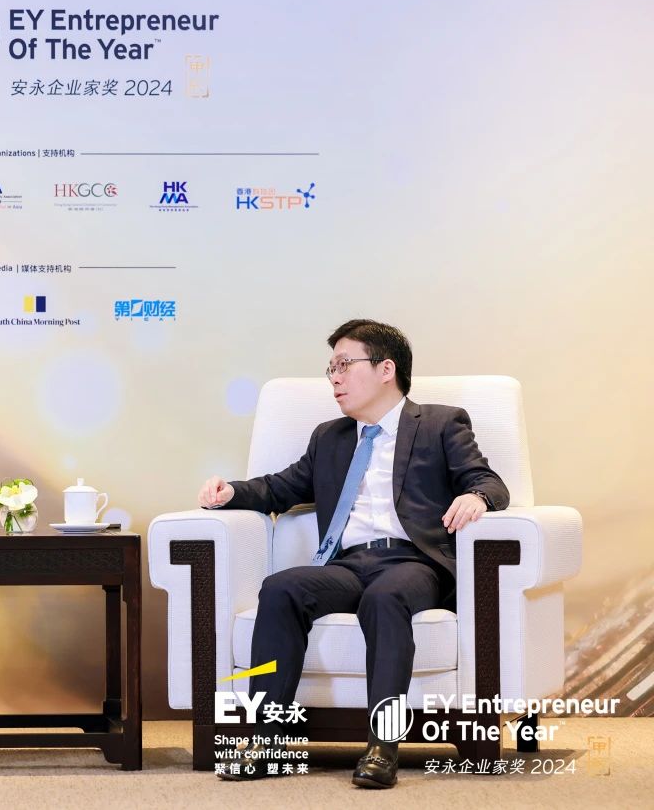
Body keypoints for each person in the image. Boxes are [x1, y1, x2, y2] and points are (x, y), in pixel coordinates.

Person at [198, 319, 509, 789]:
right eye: (331, 368)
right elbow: (281, 487)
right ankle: (266, 741)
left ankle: (383, 747)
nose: (335, 378)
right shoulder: (331, 437)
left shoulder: (441, 423)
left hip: (413, 563)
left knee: (385, 598)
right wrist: (230, 493)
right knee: (281, 588)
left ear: (386, 369)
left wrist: (477, 497)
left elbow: (487, 480)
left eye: (344, 365)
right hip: (347, 564)